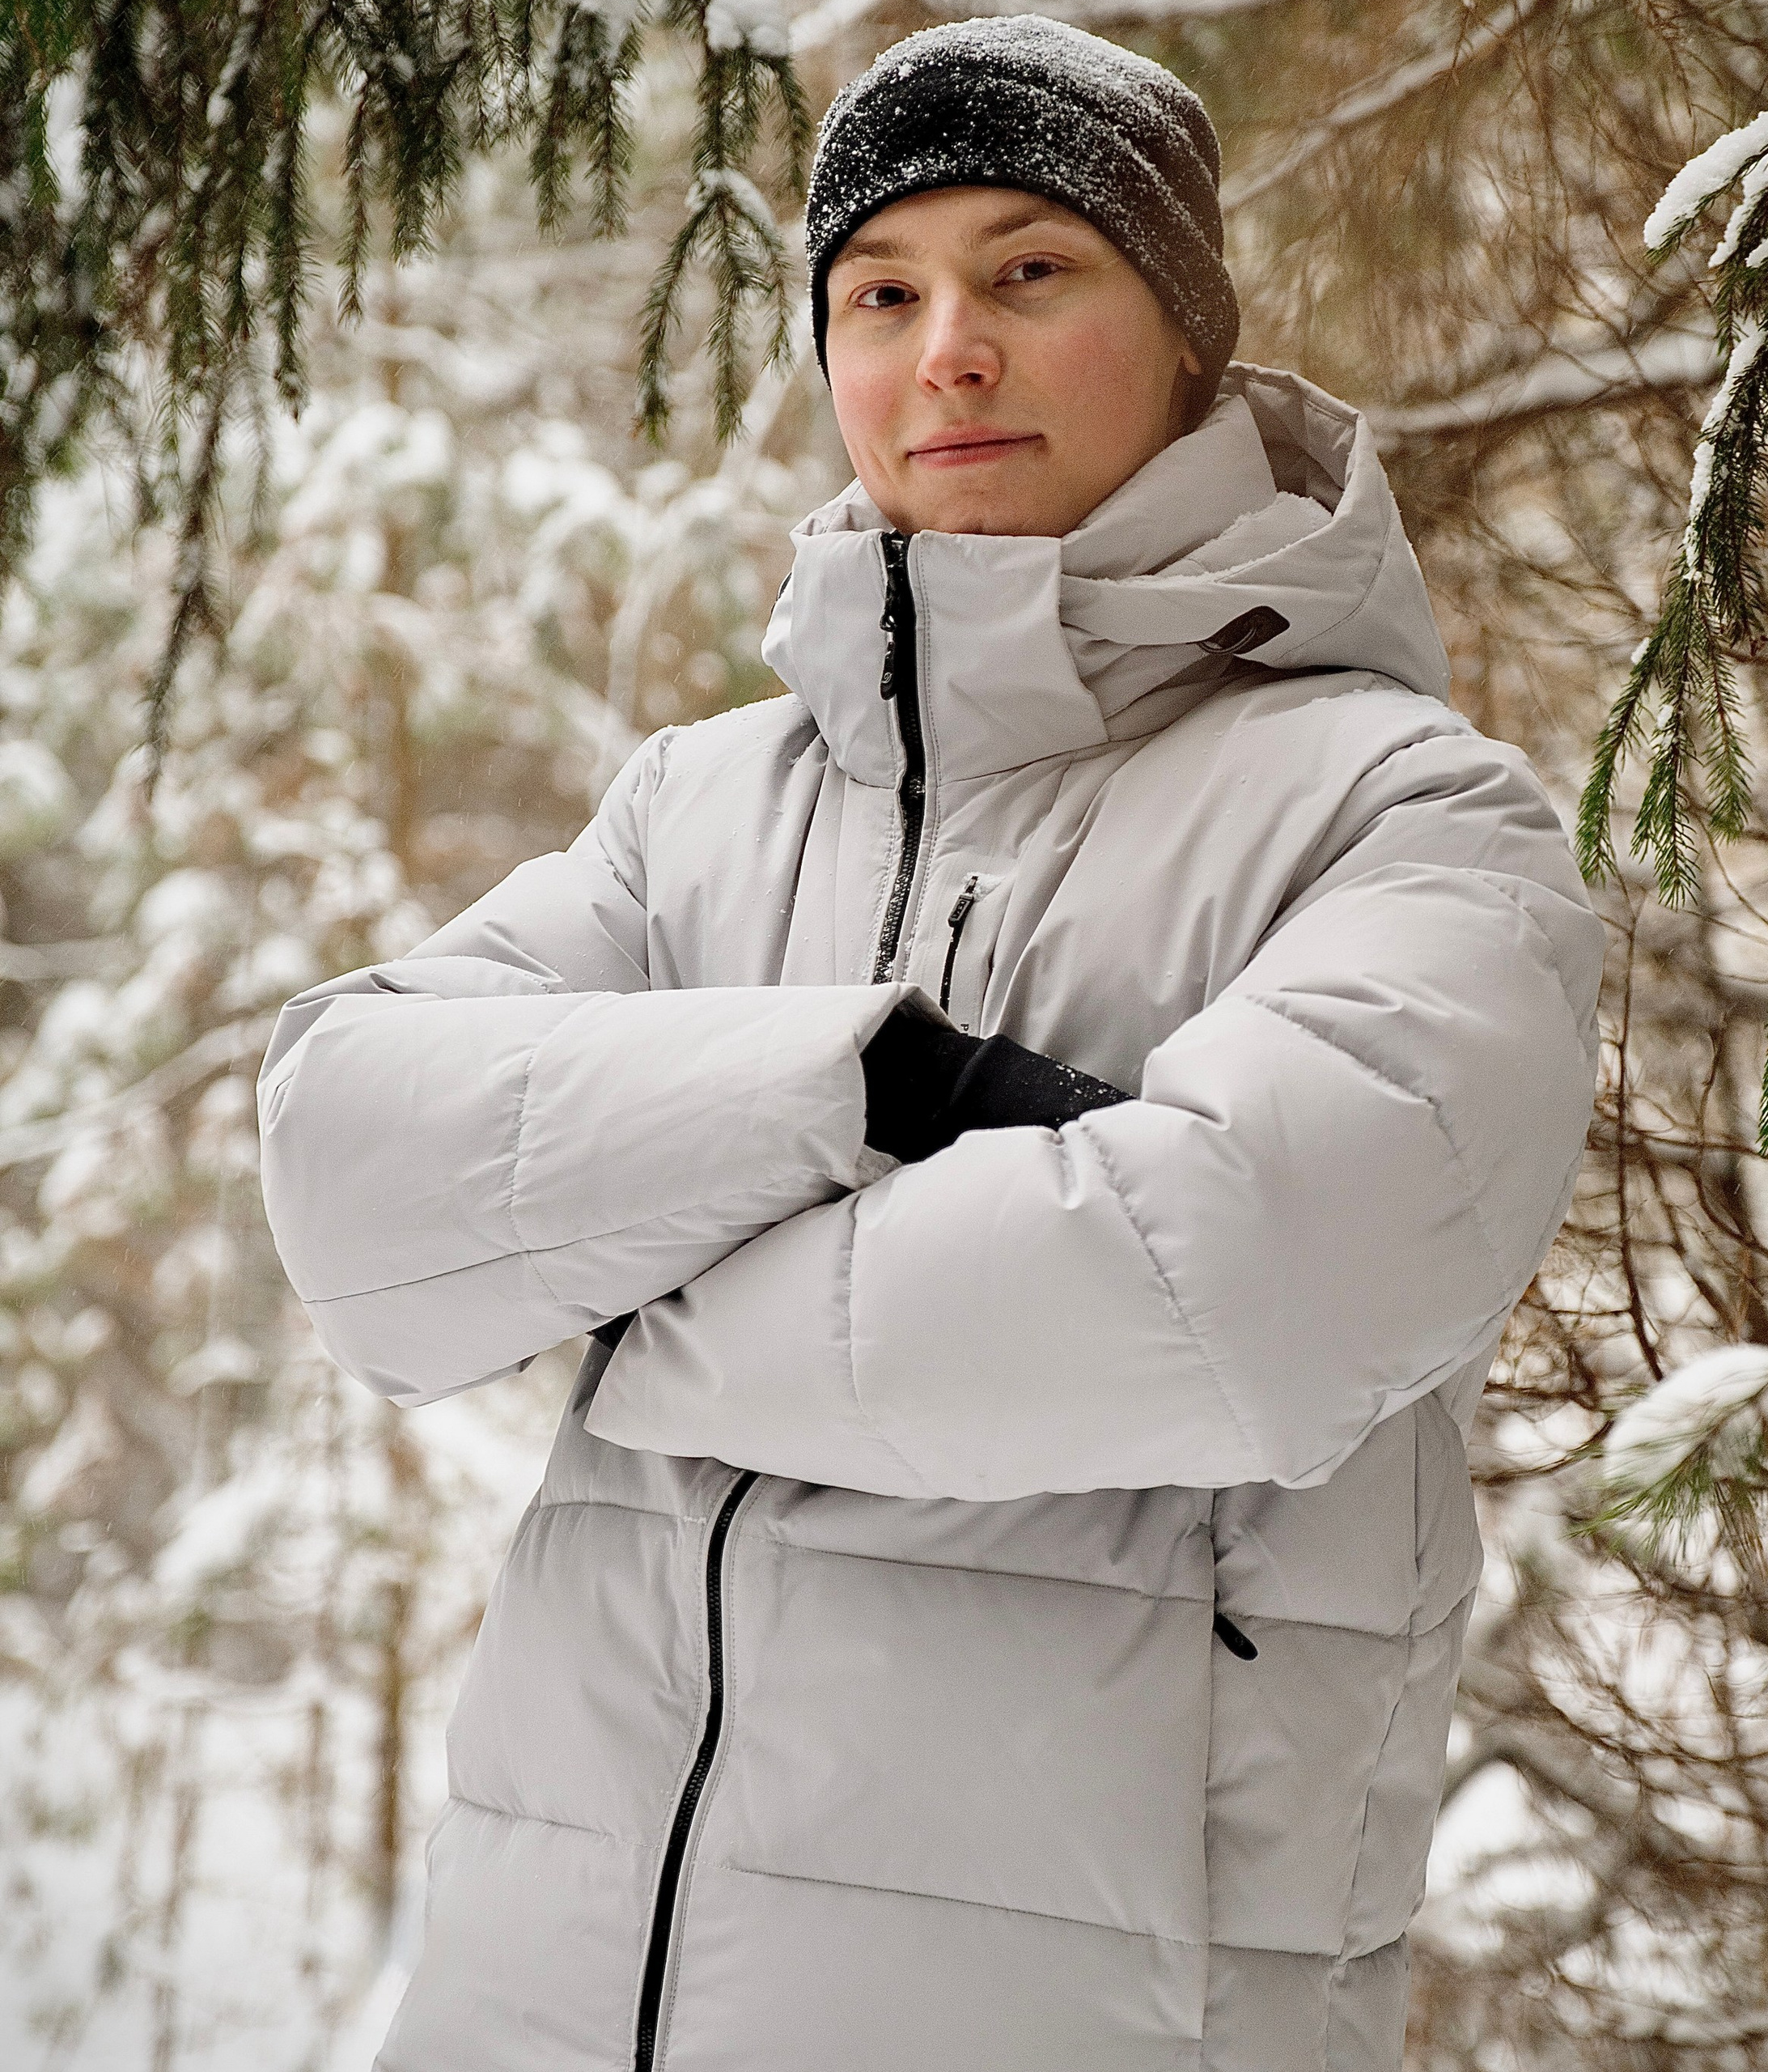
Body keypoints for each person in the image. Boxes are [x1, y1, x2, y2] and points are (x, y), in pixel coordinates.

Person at [258, 16, 1602, 2070]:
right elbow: (351, 1172)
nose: (944, 349)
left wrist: (641, 1291)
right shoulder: (695, 807)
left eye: (1027, 270)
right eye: (880, 294)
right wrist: (883, 1087)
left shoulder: (1400, 812)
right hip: (540, 1998)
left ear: (1183, 329)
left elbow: (1217, 1282)